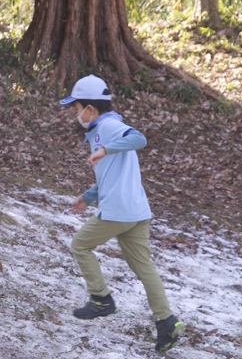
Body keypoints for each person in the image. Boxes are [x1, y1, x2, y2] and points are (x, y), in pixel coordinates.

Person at [60, 75, 185, 353]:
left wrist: (105, 148)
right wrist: (88, 196)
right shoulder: (102, 129)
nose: (74, 114)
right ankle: (166, 321)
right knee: (144, 268)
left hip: (118, 210)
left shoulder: (109, 126)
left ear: (90, 109)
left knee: (80, 245)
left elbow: (139, 138)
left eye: (76, 108)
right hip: (137, 210)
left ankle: (101, 299)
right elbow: (112, 175)